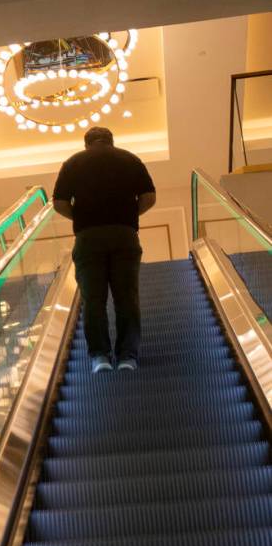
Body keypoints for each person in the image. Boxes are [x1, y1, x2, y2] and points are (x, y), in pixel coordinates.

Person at [52, 127, 156, 373]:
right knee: (127, 297)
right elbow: (149, 197)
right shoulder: (130, 159)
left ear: (86, 143)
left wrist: (80, 216)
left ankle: (100, 357)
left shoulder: (73, 163)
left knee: (93, 299)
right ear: (111, 140)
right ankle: (127, 357)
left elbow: (58, 202)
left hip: (89, 237)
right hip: (124, 235)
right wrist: (129, 215)